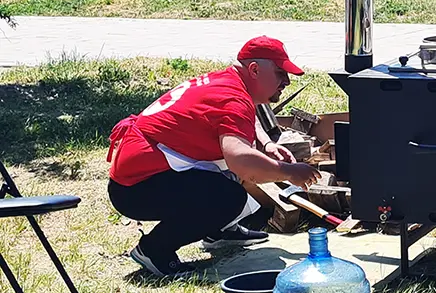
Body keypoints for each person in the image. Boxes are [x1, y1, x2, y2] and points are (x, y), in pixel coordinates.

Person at [107, 36, 322, 277]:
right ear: (254, 69)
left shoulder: (228, 82)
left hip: (139, 175)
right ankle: (154, 249)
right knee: (228, 197)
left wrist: (266, 144)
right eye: (280, 73)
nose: (287, 82)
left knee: (226, 179)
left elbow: (247, 117)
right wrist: (288, 171)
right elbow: (242, 161)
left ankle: (219, 230)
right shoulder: (233, 99)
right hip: (136, 189)